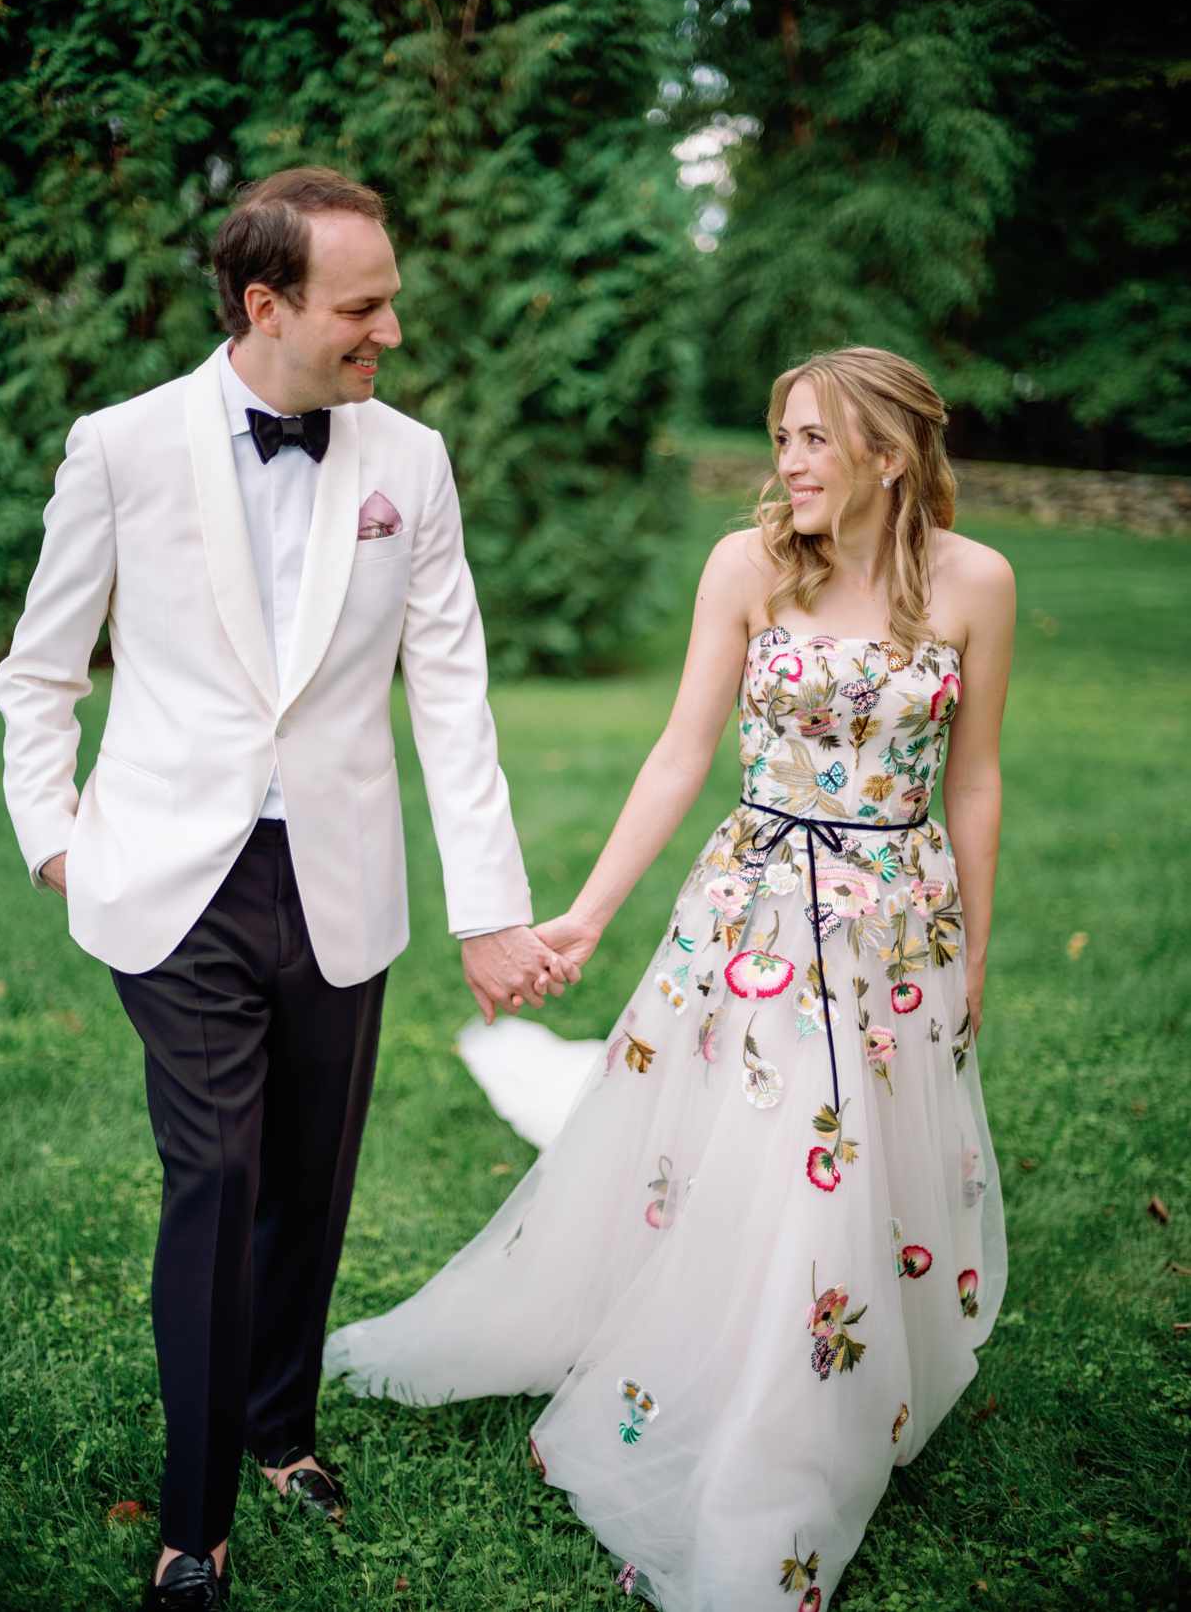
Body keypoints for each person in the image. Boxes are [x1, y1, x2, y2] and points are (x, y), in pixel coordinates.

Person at [324, 346, 1014, 1610]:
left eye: (811, 438)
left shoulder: (976, 583)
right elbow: (677, 754)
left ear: (888, 453)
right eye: (781, 437)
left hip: (893, 932)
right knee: (800, 1163)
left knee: (866, 1159)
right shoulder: (745, 568)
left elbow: (971, 777)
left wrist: (968, 945)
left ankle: (842, 1384)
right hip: (753, 914)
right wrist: (584, 916)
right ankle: (769, 1454)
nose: (786, 463)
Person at [0, 166, 576, 1612]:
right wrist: (57, 840)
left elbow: (452, 697)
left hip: (340, 883)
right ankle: (194, 1521)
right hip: (169, 880)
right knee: (218, 1171)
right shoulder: (120, 447)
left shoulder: (412, 462)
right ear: (269, 305)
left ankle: (281, 1428)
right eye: (363, 304)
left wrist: (488, 907)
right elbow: (40, 670)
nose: (391, 328)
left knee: (307, 1181)